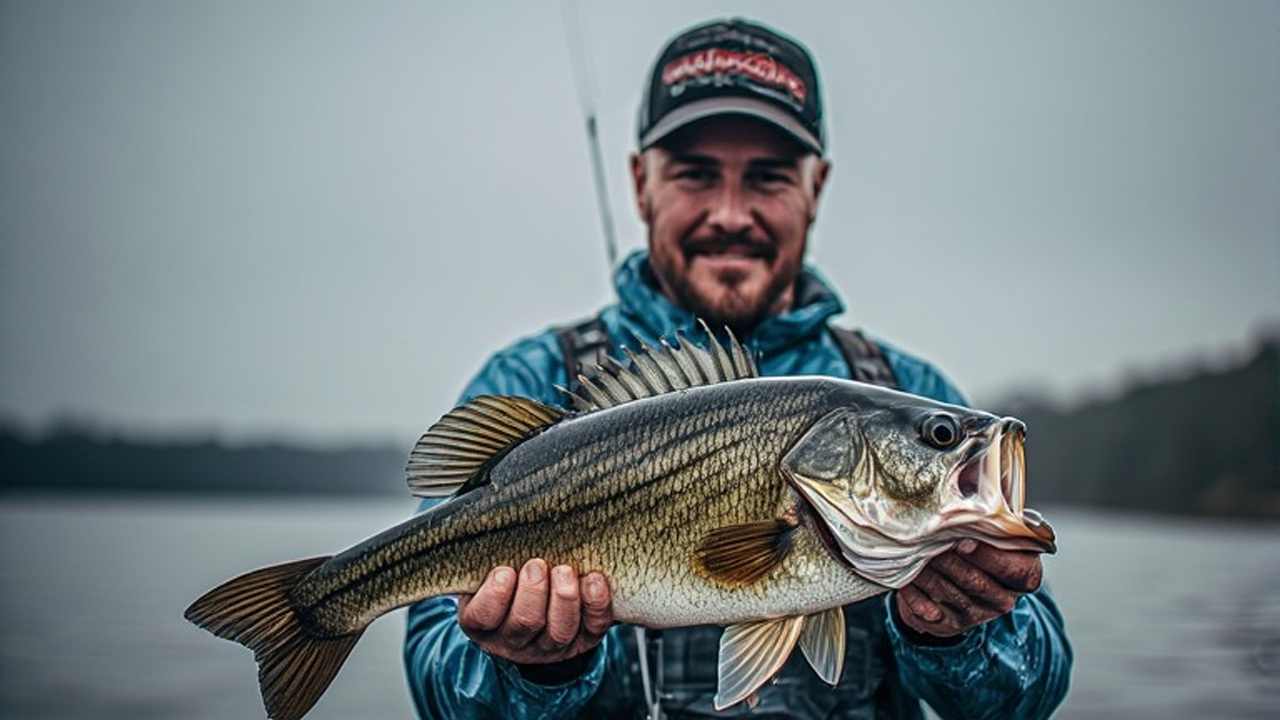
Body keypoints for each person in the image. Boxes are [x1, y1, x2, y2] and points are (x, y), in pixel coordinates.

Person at [404, 18, 1072, 719]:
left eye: (769, 176)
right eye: (695, 174)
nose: (731, 213)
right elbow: (435, 687)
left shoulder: (907, 389)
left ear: (816, 188)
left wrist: (956, 634)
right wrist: (531, 670)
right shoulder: (535, 380)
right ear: (640, 184)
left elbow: (1032, 695)